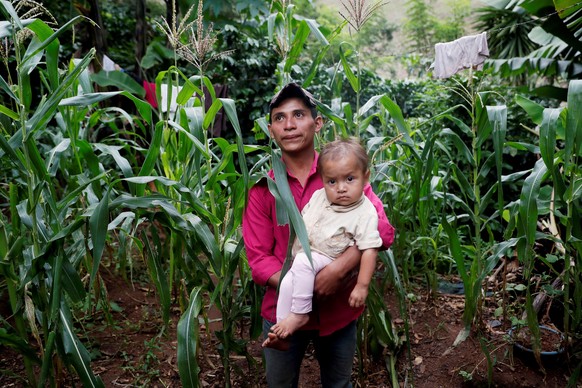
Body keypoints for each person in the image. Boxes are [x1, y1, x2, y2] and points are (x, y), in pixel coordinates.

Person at [242, 82, 395, 387]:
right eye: (280, 118)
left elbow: (381, 230)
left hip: (336, 311)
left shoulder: (342, 174)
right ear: (271, 129)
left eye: (299, 115)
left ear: (317, 122)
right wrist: (305, 284)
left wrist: (339, 269)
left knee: (338, 385)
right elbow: (259, 260)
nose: (289, 125)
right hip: (282, 313)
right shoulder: (263, 188)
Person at [263, 138, 382, 349]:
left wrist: (362, 286)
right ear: (323, 180)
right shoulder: (320, 197)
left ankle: (299, 315)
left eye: (350, 179)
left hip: (327, 257)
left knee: (301, 264)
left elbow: (370, 249)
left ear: (366, 178)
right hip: (309, 255)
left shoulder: (364, 211)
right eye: (332, 182)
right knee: (288, 283)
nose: (341, 188)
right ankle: (282, 332)